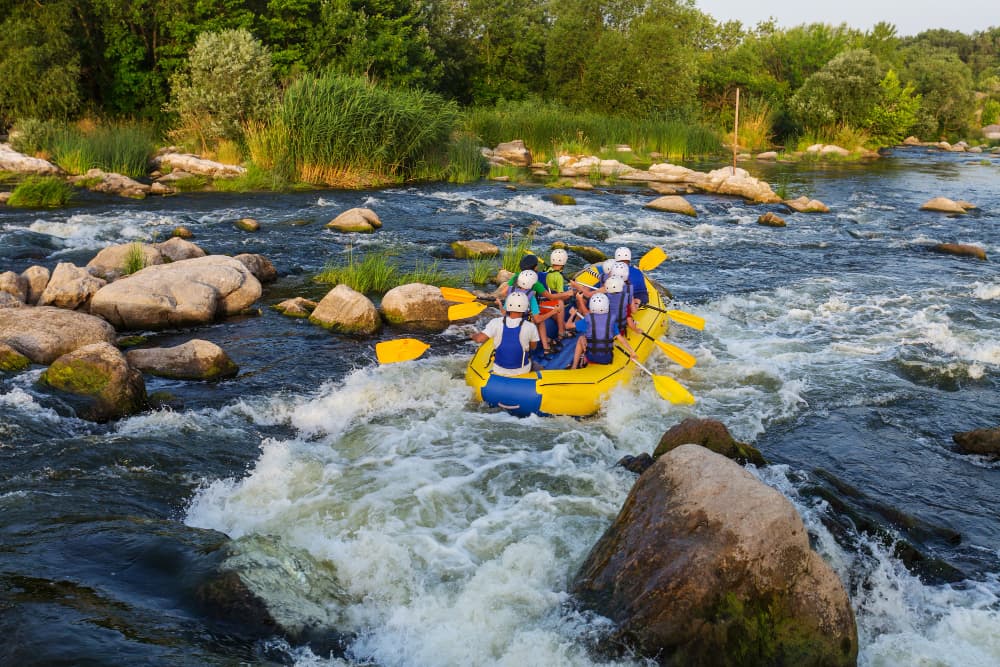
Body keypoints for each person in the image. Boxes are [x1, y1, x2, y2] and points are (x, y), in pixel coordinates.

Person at [470, 292, 539, 376]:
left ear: (508, 305)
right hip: (522, 370)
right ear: (525, 307)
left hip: (498, 369)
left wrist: (473, 336)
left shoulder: (495, 322)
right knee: (536, 366)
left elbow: (479, 339)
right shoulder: (531, 327)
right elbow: (533, 347)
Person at [570, 293, 637, 370]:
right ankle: (584, 359)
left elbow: (568, 326)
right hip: (607, 359)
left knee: (582, 338)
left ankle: (574, 366)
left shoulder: (587, 321)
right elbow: (621, 340)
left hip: (591, 357)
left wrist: (572, 315)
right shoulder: (611, 322)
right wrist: (632, 352)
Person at [498, 269, 554, 354]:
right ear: (532, 284)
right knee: (540, 321)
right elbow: (538, 319)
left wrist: (499, 304)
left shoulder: (510, 292)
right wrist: (554, 311)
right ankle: (546, 348)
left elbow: (504, 312)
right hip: (522, 328)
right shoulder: (531, 298)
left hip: (508, 325)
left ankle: (547, 341)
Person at [538, 248, 576, 339]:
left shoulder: (545, 269)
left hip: (540, 303)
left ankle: (564, 326)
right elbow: (561, 296)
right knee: (561, 302)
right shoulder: (558, 277)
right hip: (548, 304)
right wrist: (570, 293)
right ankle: (561, 332)